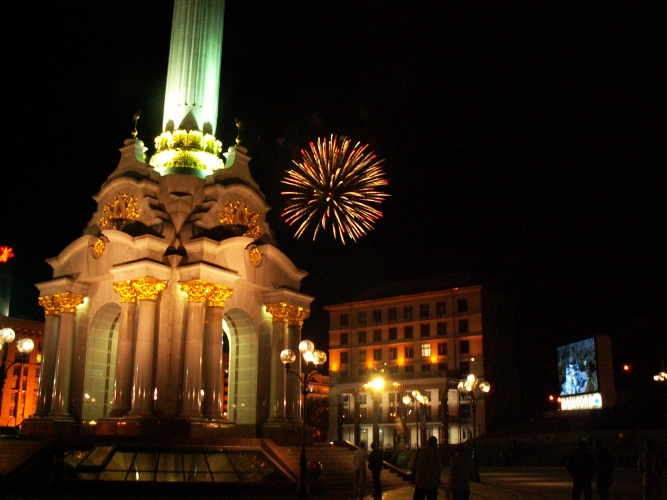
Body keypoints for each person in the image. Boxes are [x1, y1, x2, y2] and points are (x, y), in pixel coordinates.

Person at [409, 436, 441, 500]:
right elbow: (439, 468)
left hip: (420, 482)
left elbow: (411, 465)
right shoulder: (436, 455)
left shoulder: (420, 452)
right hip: (432, 483)